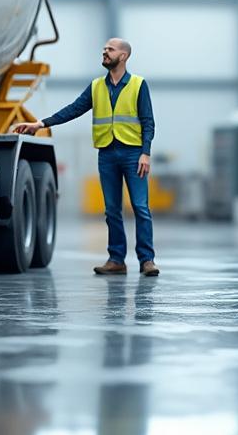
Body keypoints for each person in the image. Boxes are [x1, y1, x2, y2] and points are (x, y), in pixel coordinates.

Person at [14, 38, 159, 277]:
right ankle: (116, 260)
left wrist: (145, 153)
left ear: (123, 56)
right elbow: (73, 109)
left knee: (140, 207)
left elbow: (148, 121)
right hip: (107, 154)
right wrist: (40, 124)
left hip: (133, 153)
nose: (104, 52)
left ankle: (147, 261)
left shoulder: (138, 85)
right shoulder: (96, 87)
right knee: (112, 210)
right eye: (104, 49)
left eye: (110, 50)